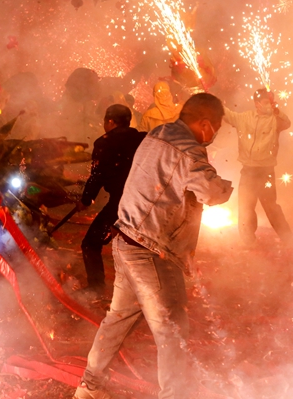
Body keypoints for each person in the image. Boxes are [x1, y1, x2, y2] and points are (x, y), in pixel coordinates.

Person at [74, 93, 233, 399]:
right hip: (152, 251)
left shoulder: (159, 133)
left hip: (126, 242)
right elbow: (212, 192)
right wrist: (226, 187)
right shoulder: (187, 149)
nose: (215, 134)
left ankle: (89, 387)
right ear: (204, 124)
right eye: (216, 128)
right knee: (172, 333)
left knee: (118, 319)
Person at [79, 104, 146, 292]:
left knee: (91, 243)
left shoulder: (104, 143)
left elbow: (96, 175)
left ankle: (96, 287)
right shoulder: (143, 139)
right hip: (145, 201)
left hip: (122, 202)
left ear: (110, 121)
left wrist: (85, 200)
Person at [224, 89, 293, 246]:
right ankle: (248, 241)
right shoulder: (245, 118)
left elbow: (287, 123)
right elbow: (227, 114)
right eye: (267, 102)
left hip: (266, 171)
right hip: (248, 171)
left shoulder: (276, 120)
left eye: (272, 102)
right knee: (245, 208)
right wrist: (212, 101)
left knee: (271, 207)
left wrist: (276, 110)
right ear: (257, 104)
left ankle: (289, 240)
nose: (271, 105)